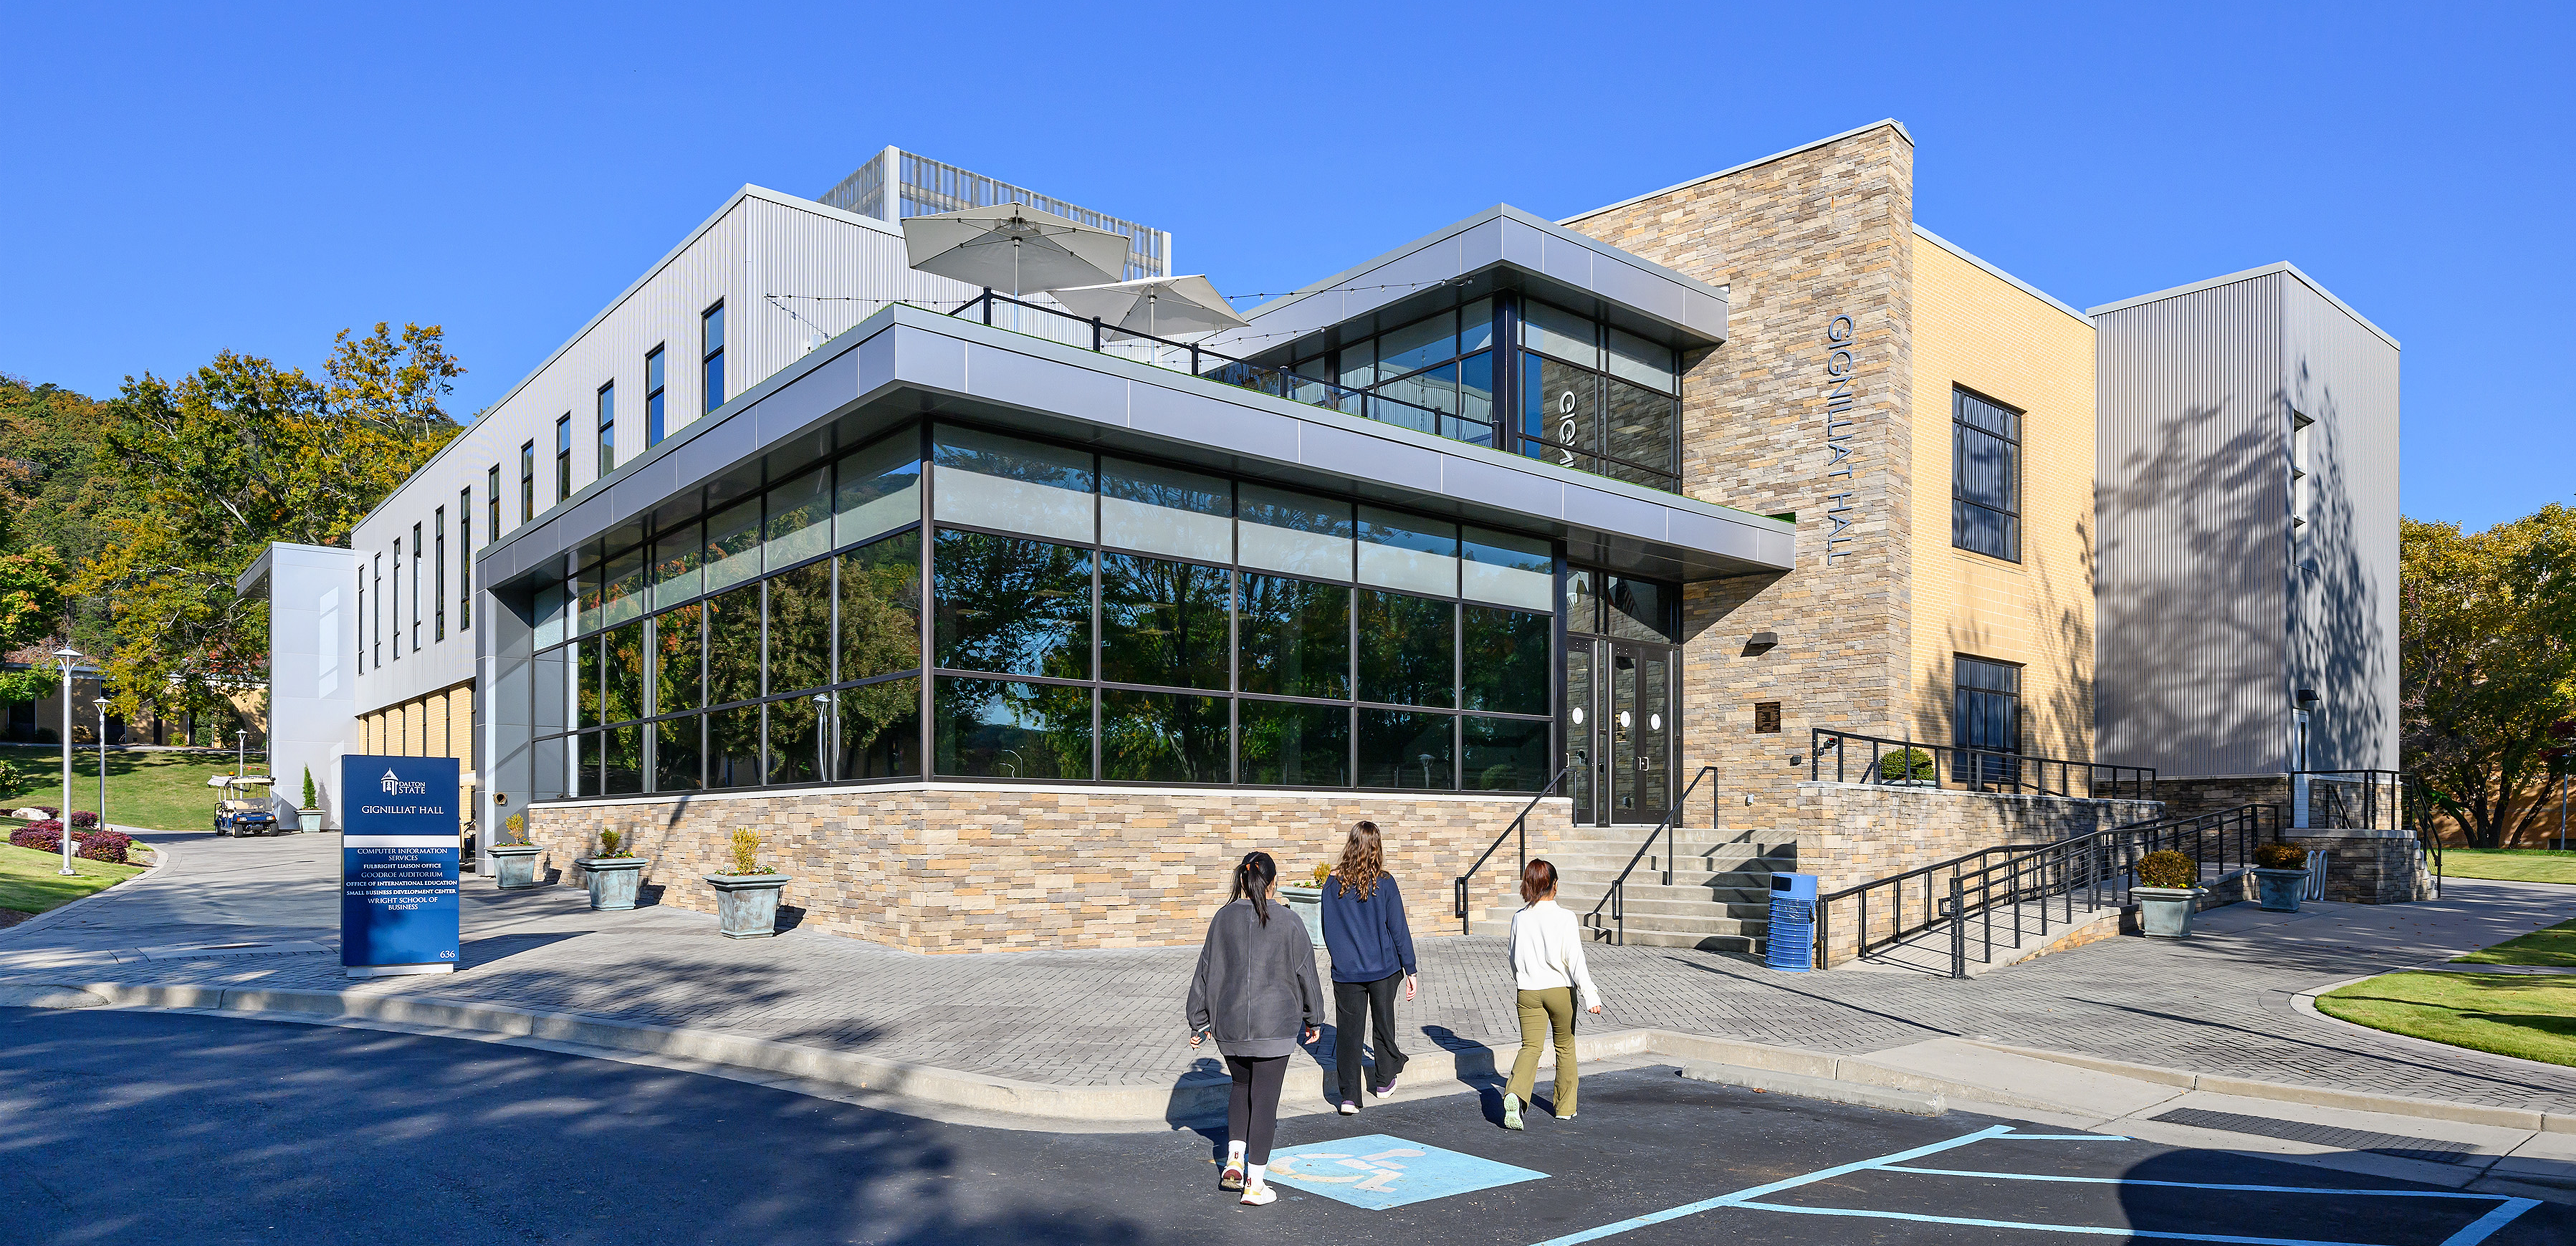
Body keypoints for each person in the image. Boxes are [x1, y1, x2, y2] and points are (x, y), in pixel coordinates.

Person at [1186, 851, 1323, 1208]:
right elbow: (1306, 972)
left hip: (1230, 1026)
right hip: (1275, 1026)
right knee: (1265, 1101)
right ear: (1273, 883)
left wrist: (1198, 1021)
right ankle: (1255, 1184)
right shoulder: (1289, 921)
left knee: (1240, 1087)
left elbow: (1205, 970)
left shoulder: (1223, 918)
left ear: (1243, 882)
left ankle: (1234, 1161)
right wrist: (1314, 1018)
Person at [1320, 820, 1417, 1115]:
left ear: (1350, 845)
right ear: (1377, 847)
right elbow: (1398, 928)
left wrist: (1340, 959)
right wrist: (1410, 968)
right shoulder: (1385, 882)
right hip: (1383, 968)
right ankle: (1384, 1081)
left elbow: (1327, 929)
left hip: (1347, 972)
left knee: (1349, 1035)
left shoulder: (1332, 884)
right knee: (1384, 1024)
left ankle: (1349, 1097)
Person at [1502, 858, 1602, 1130]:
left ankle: (1515, 1094)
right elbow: (1575, 959)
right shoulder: (1566, 918)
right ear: (1555, 885)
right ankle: (1565, 1108)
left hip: (1528, 991)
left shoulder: (1519, 918)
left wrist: (1523, 979)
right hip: (1560, 991)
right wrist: (1590, 994)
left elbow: (1513, 956)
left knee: (1531, 1047)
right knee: (1565, 1047)